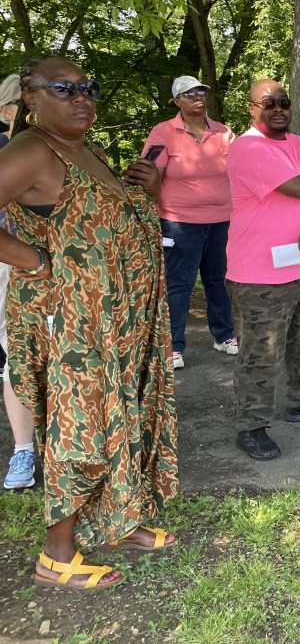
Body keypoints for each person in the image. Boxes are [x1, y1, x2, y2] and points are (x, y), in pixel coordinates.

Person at [0, 56, 179, 589]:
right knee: (79, 426)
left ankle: (116, 517)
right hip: (74, 323)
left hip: (117, 317)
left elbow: (104, 222)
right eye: (65, 89)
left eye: (89, 87)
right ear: (31, 98)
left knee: (119, 414)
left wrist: (147, 190)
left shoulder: (83, 149)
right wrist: (32, 260)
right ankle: (56, 554)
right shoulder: (31, 150)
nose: (83, 97)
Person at [226, 79, 300, 461]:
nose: (278, 108)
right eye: (268, 103)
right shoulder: (247, 148)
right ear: (251, 108)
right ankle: (252, 426)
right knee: (260, 355)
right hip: (257, 274)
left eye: (283, 102)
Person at [142, 75, 237, 371]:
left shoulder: (223, 132)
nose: (198, 96)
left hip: (223, 220)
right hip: (179, 222)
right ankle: (173, 346)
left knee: (219, 280)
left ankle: (224, 335)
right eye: (190, 93)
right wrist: (151, 215)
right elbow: (149, 175)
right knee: (179, 285)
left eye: (201, 92)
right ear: (176, 101)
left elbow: (241, 172)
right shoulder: (163, 132)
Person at [0, 73, 36, 491]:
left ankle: (25, 448)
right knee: (15, 357)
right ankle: (23, 447)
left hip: (33, 269)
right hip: (13, 265)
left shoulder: (49, 148)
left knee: (22, 355)